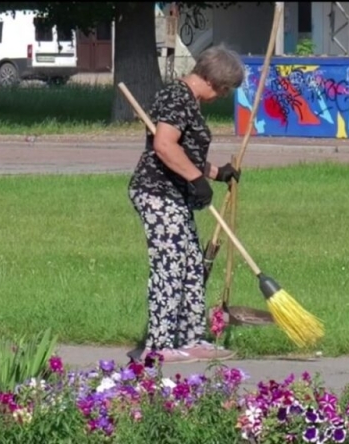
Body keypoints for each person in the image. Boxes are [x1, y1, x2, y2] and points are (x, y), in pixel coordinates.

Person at [128, 44, 245, 363]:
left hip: (174, 192)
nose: (221, 95)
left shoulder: (188, 102)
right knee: (170, 264)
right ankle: (159, 343)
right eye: (223, 89)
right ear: (212, 80)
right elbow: (165, 146)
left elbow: (185, 154)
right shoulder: (176, 97)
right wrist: (196, 179)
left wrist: (216, 173)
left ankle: (190, 337)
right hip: (156, 192)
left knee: (192, 263)